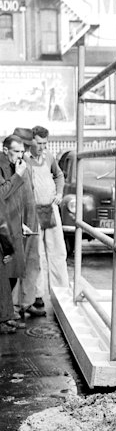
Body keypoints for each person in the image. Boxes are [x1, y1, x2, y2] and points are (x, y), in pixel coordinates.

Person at [25, 126, 69, 307]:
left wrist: (59, 193)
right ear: (32, 141)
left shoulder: (49, 157)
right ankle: (37, 295)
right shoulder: (25, 159)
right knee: (37, 254)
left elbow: (59, 175)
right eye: (39, 143)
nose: (42, 147)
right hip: (33, 211)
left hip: (50, 209)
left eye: (45, 143)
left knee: (57, 250)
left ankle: (61, 291)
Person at [0, 134, 42, 320]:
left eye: (22, 151)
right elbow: (2, 193)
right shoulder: (4, 167)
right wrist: (17, 175)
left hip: (13, 223)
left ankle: (7, 313)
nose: (20, 155)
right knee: (6, 274)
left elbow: (15, 198)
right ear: (6, 150)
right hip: (3, 225)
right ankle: (5, 315)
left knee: (13, 272)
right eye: (16, 151)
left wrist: (21, 223)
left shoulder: (14, 165)